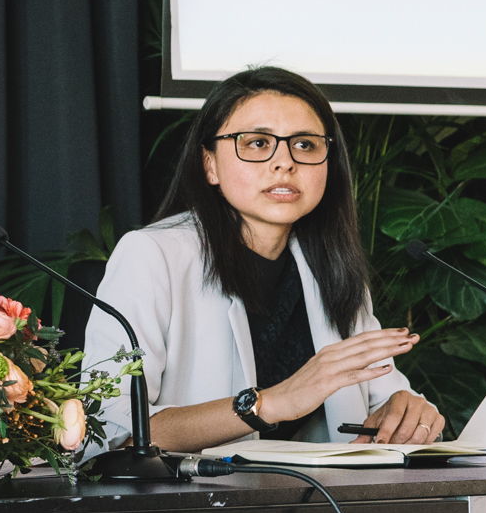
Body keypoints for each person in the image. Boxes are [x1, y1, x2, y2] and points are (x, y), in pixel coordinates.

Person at [86, 65, 445, 451]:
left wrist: (407, 412)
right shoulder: (152, 256)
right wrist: (274, 402)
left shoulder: (333, 269)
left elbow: (385, 399)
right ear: (210, 165)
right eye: (257, 143)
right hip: (192, 505)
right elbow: (107, 430)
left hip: (323, 503)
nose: (285, 162)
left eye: (305, 145)